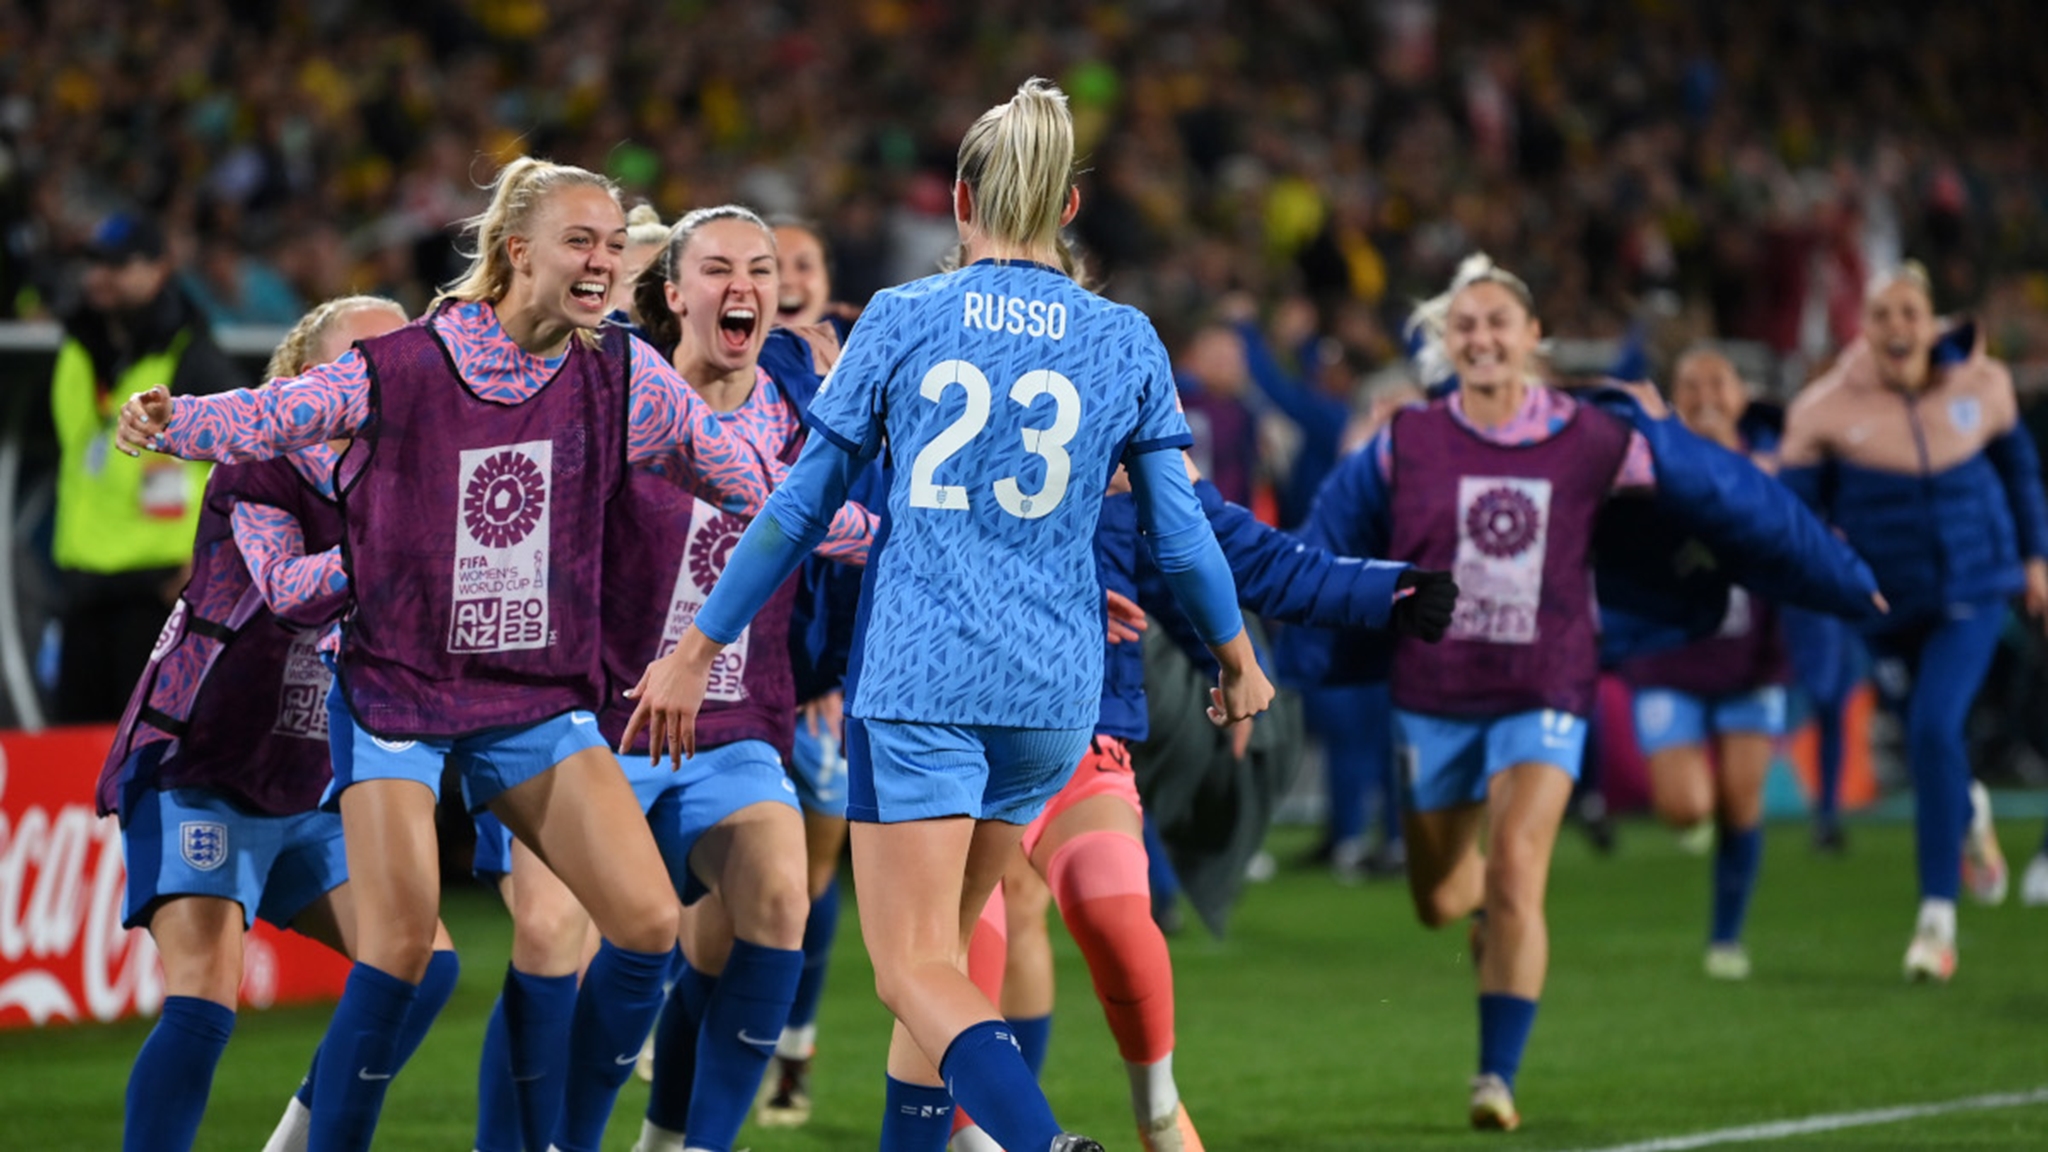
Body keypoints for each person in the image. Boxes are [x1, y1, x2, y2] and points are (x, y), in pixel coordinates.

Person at [624, 79, 1273, 1152]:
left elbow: (797, 509)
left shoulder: (902, 318)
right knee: (946, 965)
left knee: (912, 968)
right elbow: (1180, 537)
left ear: (961, 199)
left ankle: (1038, 1141)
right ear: (1068, 211)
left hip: (927, 679)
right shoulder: (1125, 338)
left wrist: (698, 647)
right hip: (1052, 695)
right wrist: (1236, 655)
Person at [116, 157, 787, 1152]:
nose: (604, 262)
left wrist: (868, 522)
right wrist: (178, 423)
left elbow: (753, 483)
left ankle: (562, 1139)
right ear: (518, 251)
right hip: (393, 696)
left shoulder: (619, 370)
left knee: (645, 924)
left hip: (530, 697)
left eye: (613, 244)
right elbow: (277, 417)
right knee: (398, 955)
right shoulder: (407, 368)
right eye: (581, 242)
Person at [1303, 253, 1879, 1131]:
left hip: (1548, 682)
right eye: (1467, 324)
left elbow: (1725, 496)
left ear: (1535, 338)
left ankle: (1494, 1078)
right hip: (1437, 690)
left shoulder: (1595, 438)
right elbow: (1317, 550)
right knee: (1442, 899)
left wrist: (1835, 571)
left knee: (1523, 870)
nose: (1483, 336)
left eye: (1500, 321)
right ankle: (1487, 911)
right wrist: (1258, 652)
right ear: (1445, 342)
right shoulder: (1402, 441)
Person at [950, 454, 1454, 1152]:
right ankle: (976, 1129)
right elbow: (888, 545)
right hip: (951, 733)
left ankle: (1156, 1108)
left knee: (1114, 916)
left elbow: (1231, 552)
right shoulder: (951, 418)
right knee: (962, 931)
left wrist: (1381, 592)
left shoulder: (1123, 426)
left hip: (1079, 729)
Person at [95, 297, 459, 1152]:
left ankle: (292, 1143)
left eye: (402, 347)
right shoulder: (259, 465)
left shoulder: (411, 481)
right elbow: (293, 590)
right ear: (310, 380)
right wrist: (411, 543)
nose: (390, 366)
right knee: (203, 998)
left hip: (306, 781)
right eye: (364, 353)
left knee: (424, 965)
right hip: (200, 761)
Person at [1779, 262, 2048, 982]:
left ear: (1931, 321)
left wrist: (2036, 557)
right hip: (1883, 607)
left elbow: (2020, 468)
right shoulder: (1824, 409)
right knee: (1930, 742)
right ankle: (1970, 812)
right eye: (1882, 315)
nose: (1897, 328)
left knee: (1933, 729)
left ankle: (1936, 921)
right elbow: (1794, 514)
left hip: (1972, 590)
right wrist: (1816, 571)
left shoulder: (1981, 385)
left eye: (1909, 313)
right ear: (1861, 328)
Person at [1617, 349, 1790, 980]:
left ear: (1742, 396)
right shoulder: (1647, 468)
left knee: (1743, 805)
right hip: (1670, 659)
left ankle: (1726, 937)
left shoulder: (1776, 467)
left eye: (1718, 381)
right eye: (1690, 384)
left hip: (1751, 661)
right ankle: (1694, 823)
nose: (1705, 394)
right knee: (1686, 806)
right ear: (1672, 399)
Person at [52, 212, 245, 722]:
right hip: (83, 585)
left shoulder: (193, 358)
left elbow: (249, 461)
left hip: (159, 592)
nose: (102, 276)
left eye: (120, 264)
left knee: (145, 757)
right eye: (95, 263)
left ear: (161, 268)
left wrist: (210, 564)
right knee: (74, 753)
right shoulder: (77, 348)